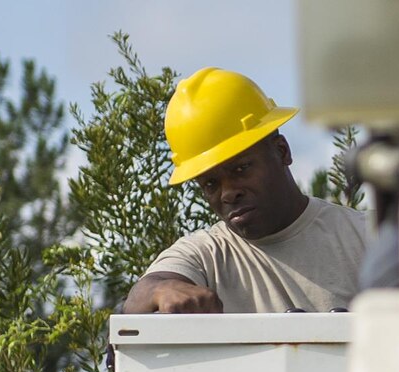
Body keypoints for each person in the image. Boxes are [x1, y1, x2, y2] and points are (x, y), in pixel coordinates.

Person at [121, 69, 369, 315]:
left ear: (282, 151)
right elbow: (141, 295)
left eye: (241, 169)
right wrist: (163, 291)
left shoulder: (366, 237)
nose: (228, 193)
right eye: (210, 184)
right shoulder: (206, 255)